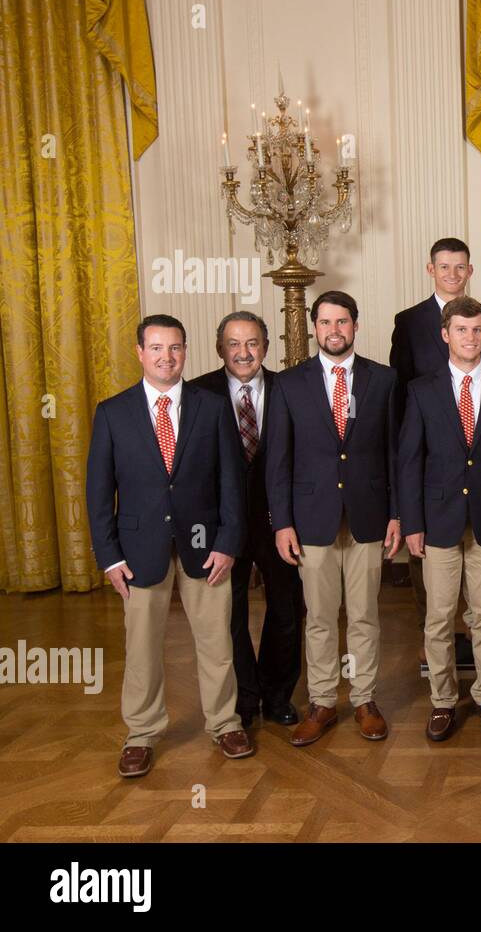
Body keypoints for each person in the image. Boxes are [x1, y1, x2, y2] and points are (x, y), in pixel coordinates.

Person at [86, 314, 253, 777]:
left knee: (217, 642)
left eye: (175, 347)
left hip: (206, 548)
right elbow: (98, 493)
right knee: (141, 647)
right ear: (140, 352)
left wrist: (228, 543)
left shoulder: (212, 406)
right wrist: (110, 556)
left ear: (186, 351)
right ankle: (141, 733)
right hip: (139, 551)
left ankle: (224, 722)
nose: (167, 356)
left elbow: (231, 482)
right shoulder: (113, 412)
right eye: (157, 348)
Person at [264, 290, 402, 747]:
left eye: (342, 322)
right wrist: (282, 522)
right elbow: (278, 461)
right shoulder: (288, 384)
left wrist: (397, 515)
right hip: (310, 520)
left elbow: (394, 454)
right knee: (319, 617)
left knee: (364, 615)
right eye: (325, 323)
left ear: (356, 326)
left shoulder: (383, 380)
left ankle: (364, 699)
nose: (334, 331)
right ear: (314, 327)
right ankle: (322, 702)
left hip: (368, 515)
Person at [398, 296, 481, 741]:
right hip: (437, 522)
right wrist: (412, 523)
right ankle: (443, 700)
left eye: (478, 330)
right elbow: (409, 461)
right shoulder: (422, 389)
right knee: (439, 616)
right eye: (462, 330)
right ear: (445, 334)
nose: (471, 338)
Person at [192, 311, 305, 728]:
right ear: (220, 348)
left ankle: (277, 695)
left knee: (287, 609)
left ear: (266, 347)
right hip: (222, 525)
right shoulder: (197, 393)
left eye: (252, 343)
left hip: (279, 521)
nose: (244, 352)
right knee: (228, 612)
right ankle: (244, 696)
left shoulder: (288, 389)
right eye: (234, 344)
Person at [390, 237, 476, 623]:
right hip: (428, 449)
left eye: (460, 267)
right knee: (427, 553)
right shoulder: (408, 322)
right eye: (444, 267)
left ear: (470, 271)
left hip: (475, 446)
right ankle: (433, 637)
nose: (452, 274)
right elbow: (399, 390)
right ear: (431, 270)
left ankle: (476, 641)